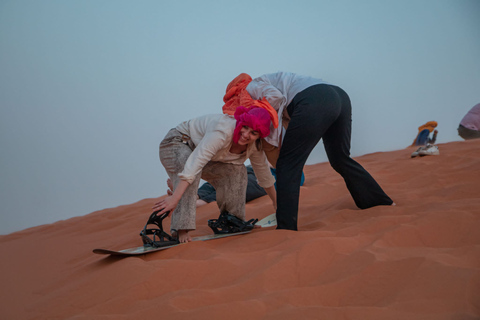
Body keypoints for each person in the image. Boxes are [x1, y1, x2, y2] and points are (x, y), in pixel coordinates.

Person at [222, 72, 394, 231]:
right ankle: (378, 201)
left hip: (315, 99)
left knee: (287, 165)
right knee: (340, 158)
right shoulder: (274, 82)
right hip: (339, 97)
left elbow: (277, 97)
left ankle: (286, 227)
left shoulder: (252, 86)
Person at [153, 107, 277, 243]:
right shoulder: (222, 131)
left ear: (259, 136)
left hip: (204, 157)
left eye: (253, 133)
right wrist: (175, 199)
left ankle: (232, 221)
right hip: (178, 143)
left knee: (237, 171)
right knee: (191, 172)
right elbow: (195, 164)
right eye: (245, 127)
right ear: (241, 122)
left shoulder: (255, 147)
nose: (246, 134)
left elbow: (264, 176)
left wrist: (277, 203)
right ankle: (180, 229)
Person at [192, 165, 305, 207]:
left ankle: (199, 202)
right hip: (253, 172)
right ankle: (194, 197)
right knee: (219, 181)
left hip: (260, 179)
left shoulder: (298, 174)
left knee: (234, 188)